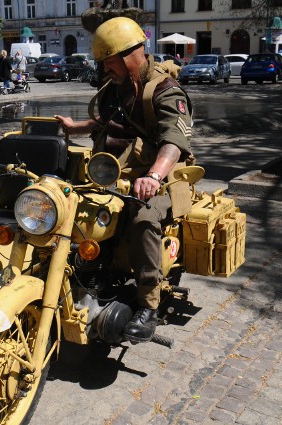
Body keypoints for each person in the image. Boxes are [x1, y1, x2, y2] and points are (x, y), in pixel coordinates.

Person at [55, 17, 194, 343]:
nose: (104, 68)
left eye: (109, 61)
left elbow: (174, 142)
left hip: (160, 179)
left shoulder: (164, 90)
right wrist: (75, 127)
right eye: (102, 62)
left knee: (144, 218)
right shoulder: (113, 89)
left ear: (131, 55)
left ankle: (148, 306)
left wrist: (153, 176)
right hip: (108, 175)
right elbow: (109, 123)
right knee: (59, 202)